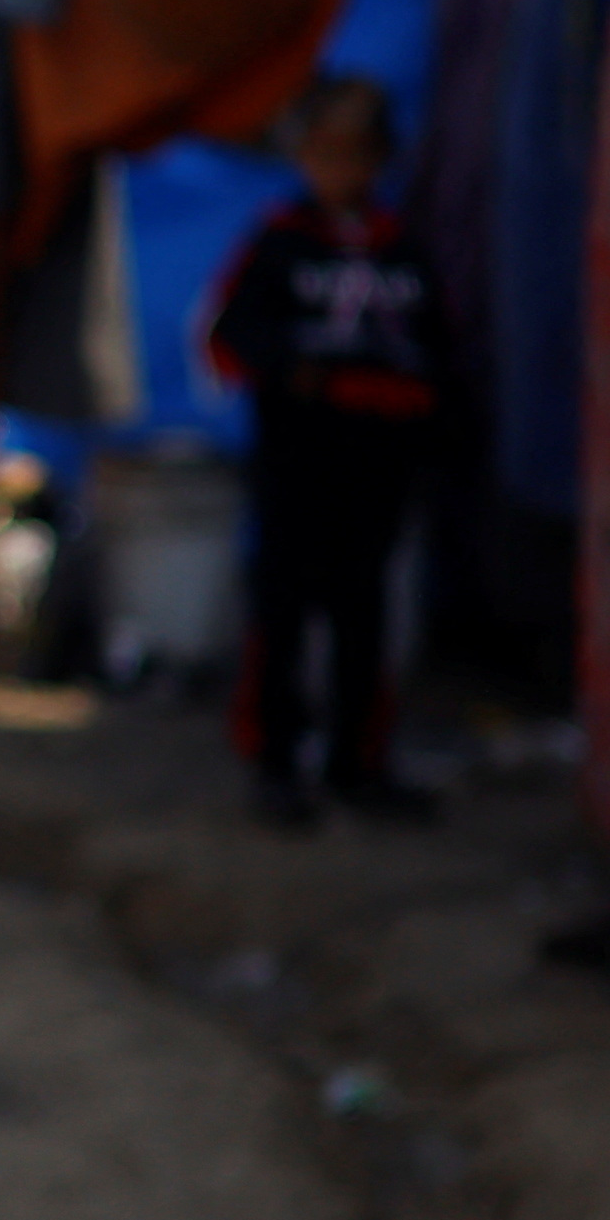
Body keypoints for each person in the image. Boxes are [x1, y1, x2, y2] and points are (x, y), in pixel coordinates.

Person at [201, 74, 445, 826]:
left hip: (377, 475)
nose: (345, 170)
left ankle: (357, 763)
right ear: (301, 154)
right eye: (328, 152)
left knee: (364, 620)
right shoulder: (279, 244)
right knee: (281, 615)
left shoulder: (402, 250)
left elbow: (440, 354)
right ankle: (276, 765)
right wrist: (300, 376)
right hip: (296, 470)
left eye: (360, 154)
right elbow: (228, 340)